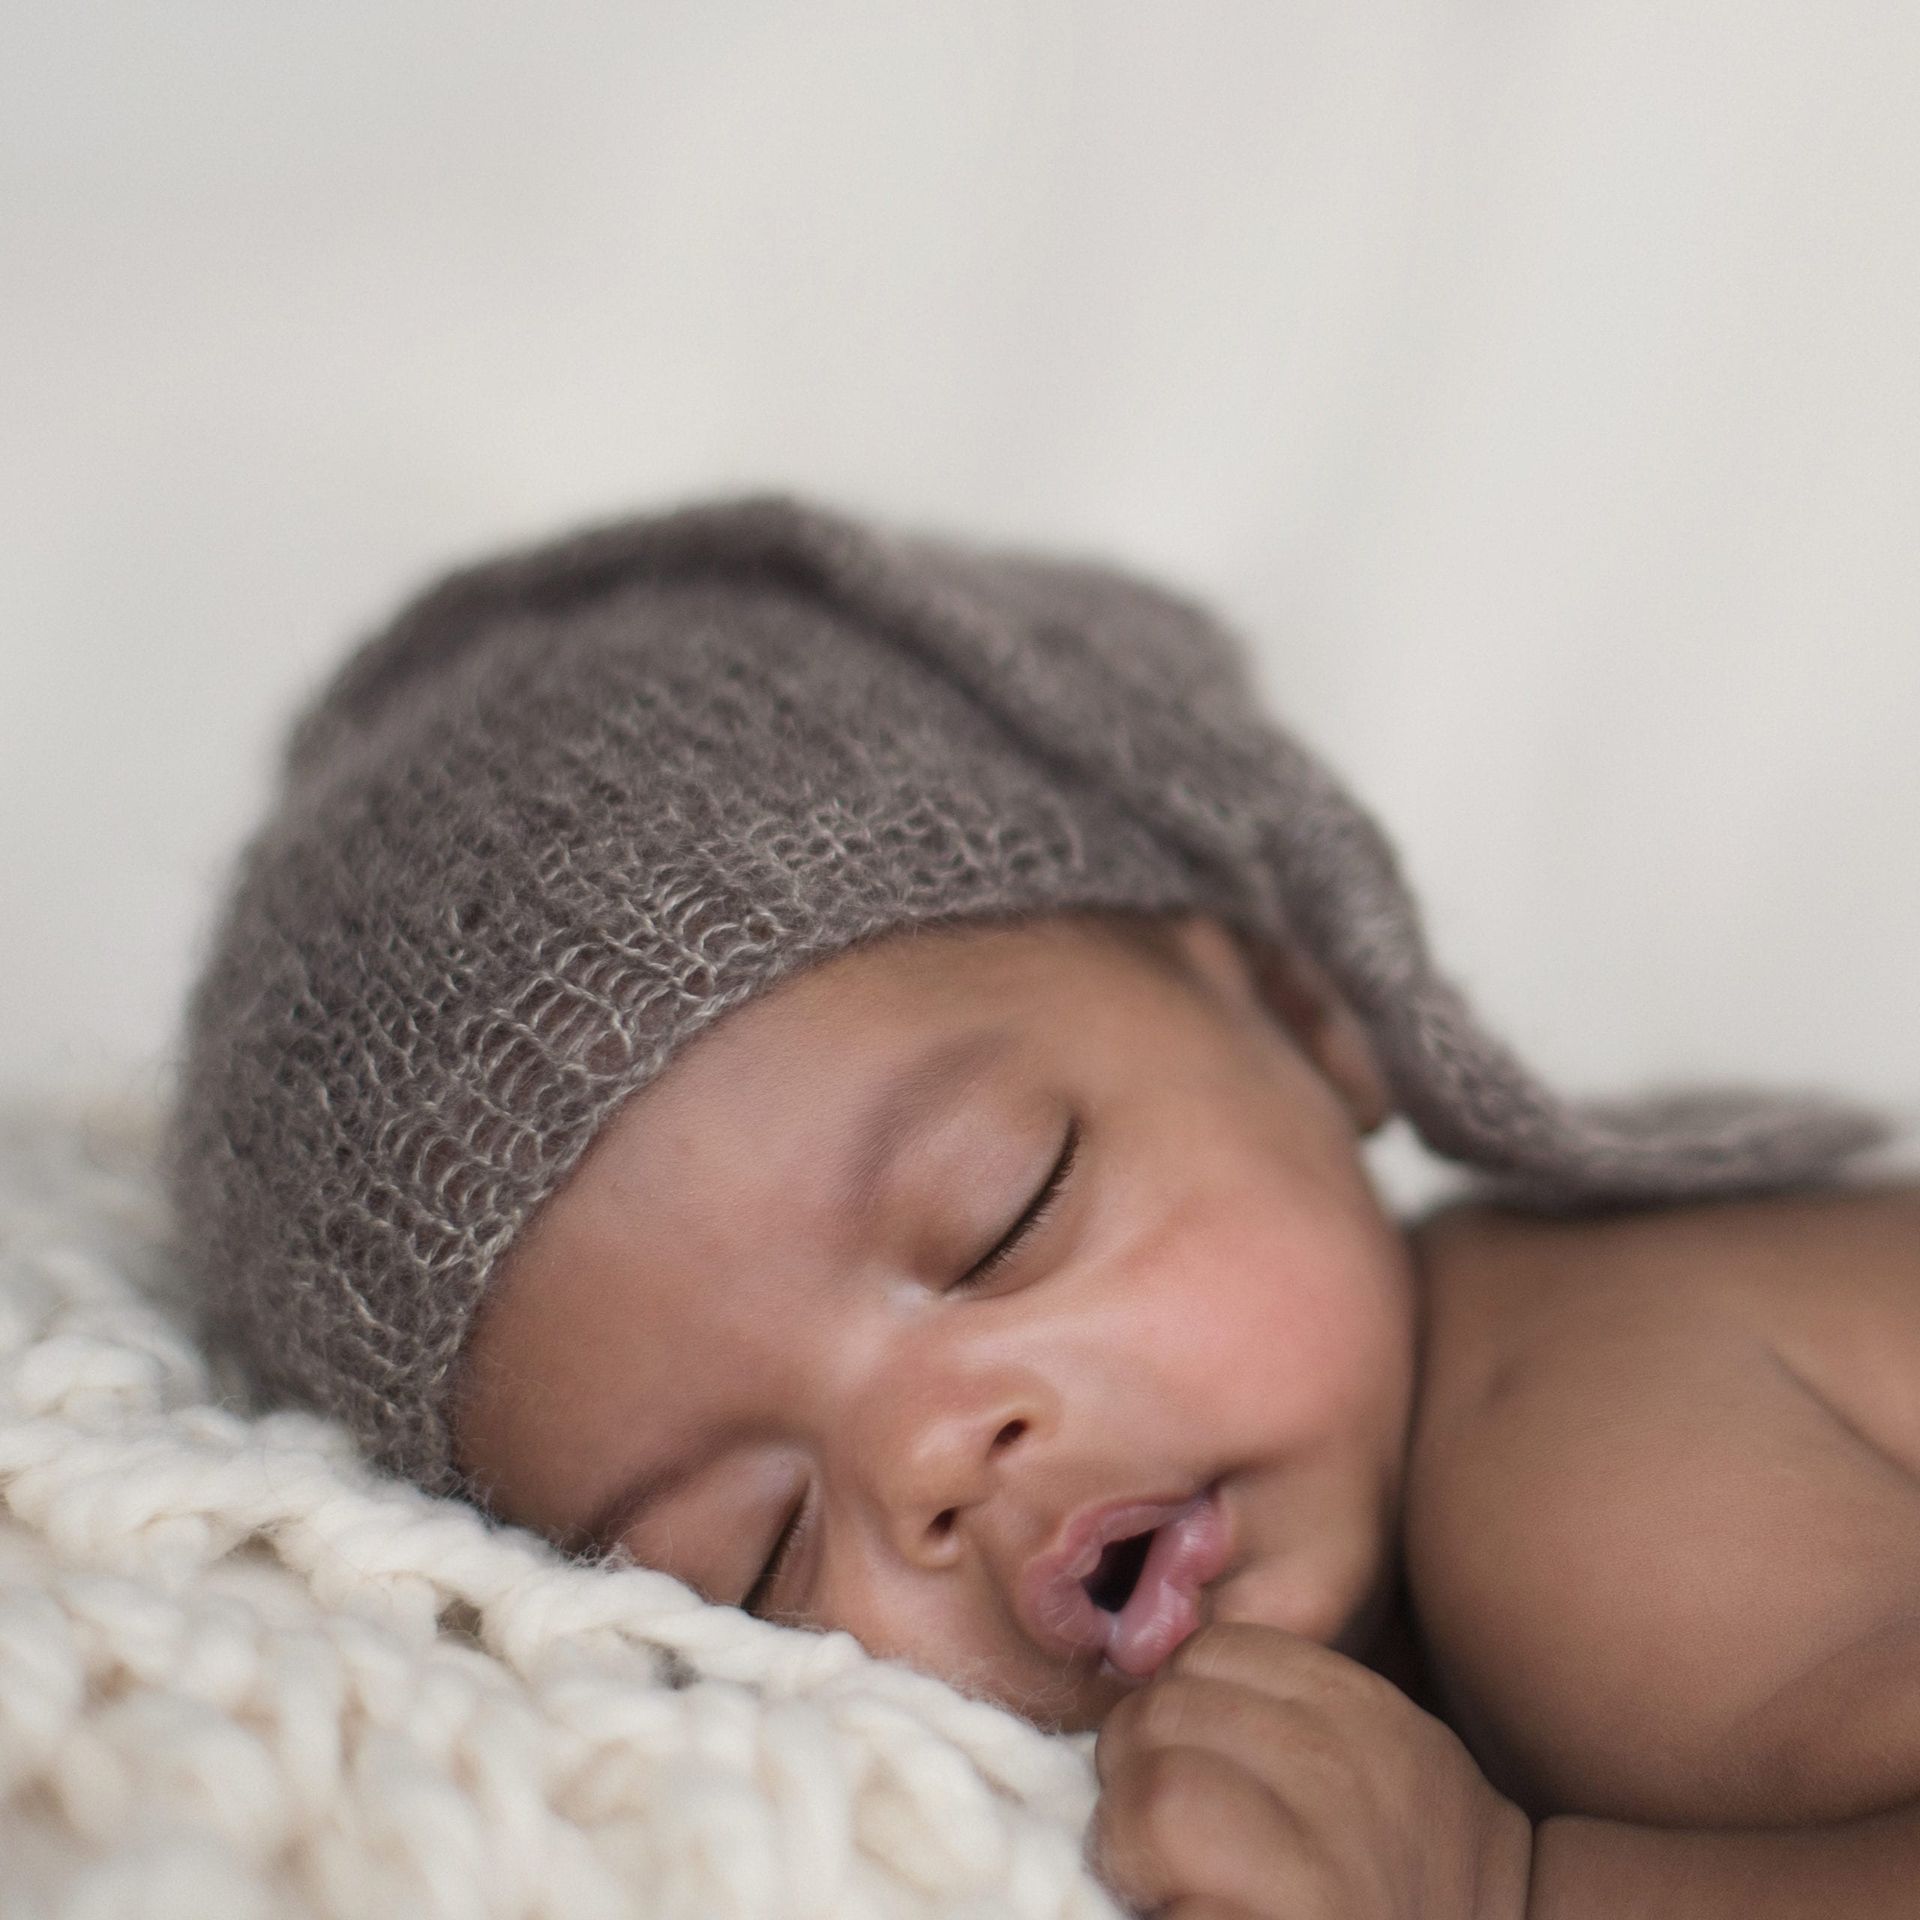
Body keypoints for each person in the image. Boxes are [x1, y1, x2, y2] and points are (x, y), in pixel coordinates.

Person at [166, 493, 1917, 1916]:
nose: (942, 1457)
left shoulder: (1578, 1464)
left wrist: (1511, 1891)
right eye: (757, 1551)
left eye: (1008, 1214)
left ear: (1306, 1008)